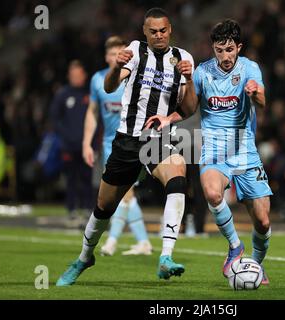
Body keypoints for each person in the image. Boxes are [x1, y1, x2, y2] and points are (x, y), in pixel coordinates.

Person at [56, 8, 194, 286]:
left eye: (163, 30)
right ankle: (84, 257)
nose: (159, 35)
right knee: (104, 205)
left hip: (158, 139)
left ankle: (165, 257)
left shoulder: (183, 58)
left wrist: (189, 80)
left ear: (170, 30)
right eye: (153, 31)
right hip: (127, 141)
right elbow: (109, 88)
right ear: (145, 31)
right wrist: (116, 67)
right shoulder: (134, 50)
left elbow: (189, 109)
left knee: (178, 173)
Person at [146, 19, 272, 284]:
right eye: (219, 50)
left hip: (245, 149)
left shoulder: (250, 68)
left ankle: (254, 266)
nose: (225, 56)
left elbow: (261, 101)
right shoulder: (203, 72)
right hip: (215, 148)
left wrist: (254, 93)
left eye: (229, 50)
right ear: (213, 49)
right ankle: (235, 248)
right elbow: (190, 108)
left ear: (239, 47)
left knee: (262, 221)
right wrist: (169, 117)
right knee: (213, 194)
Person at [83, 35, 152, 256]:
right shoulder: (98, 80)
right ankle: (141, 241)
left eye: (119, 53)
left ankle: (113, 241)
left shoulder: (134, 76)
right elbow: (93, 112)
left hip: (131, 141)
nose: (116, 57)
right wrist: (86, 143)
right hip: (108, 144)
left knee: (126, 193)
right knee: (118, 196)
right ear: (106, 56)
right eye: (112, 54)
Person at [50, 60, 93, 222]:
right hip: (68, 146)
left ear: (84, 75)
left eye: (78, 75)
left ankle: (89, 208)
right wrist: (65, 137)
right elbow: (55, 118)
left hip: (87, 145)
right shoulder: (63, 94)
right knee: (71, 179)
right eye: (73, 75)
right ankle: (72, 208)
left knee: (87, 178)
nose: (76, 78)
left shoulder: (90, 94)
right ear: (69, 76)